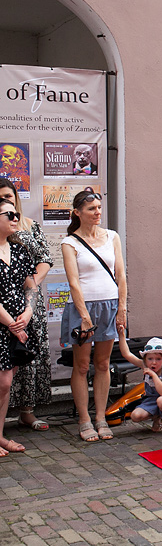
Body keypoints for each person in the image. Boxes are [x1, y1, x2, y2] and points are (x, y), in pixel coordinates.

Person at [62, 188, 127, 442]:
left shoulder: (112, 236)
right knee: (81, 365)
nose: (97, 212)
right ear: (77, 213)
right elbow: (74, 282)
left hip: (110, 305)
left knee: (102, 363)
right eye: (91, 209)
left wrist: (122, 308)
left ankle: (100, 417)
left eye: (99, 208)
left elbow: (121, 275)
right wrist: (84, 315)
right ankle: (84, 419)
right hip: (84, 307)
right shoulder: (70, 242)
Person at [0, 179, 53, 432]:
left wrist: (28, 285)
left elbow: (44, 260)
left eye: (9, 196)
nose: (7, 201)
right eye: (2, 198)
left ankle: (27, 411)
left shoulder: (30, 225)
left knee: (28, 355)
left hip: (28, 302)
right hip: (4, 302)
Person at [0, 198, 38, 456]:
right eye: (9, 214)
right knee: (2, 382)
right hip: (7, 325)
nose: (15, 218)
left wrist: (28, 311)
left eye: (16, 214)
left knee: (6, 381)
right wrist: (12, 323)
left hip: (17, 326)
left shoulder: (20, 250)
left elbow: (31, 286)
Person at [115, 331, 162, 434]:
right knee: (135, 416)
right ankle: (156, 416)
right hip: (152, 400)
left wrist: (153, 375)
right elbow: (127, 354)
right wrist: (121, 335)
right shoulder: (145, 366)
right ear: (145, 359)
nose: (154, 362)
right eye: (150, 359)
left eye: (158, 359)